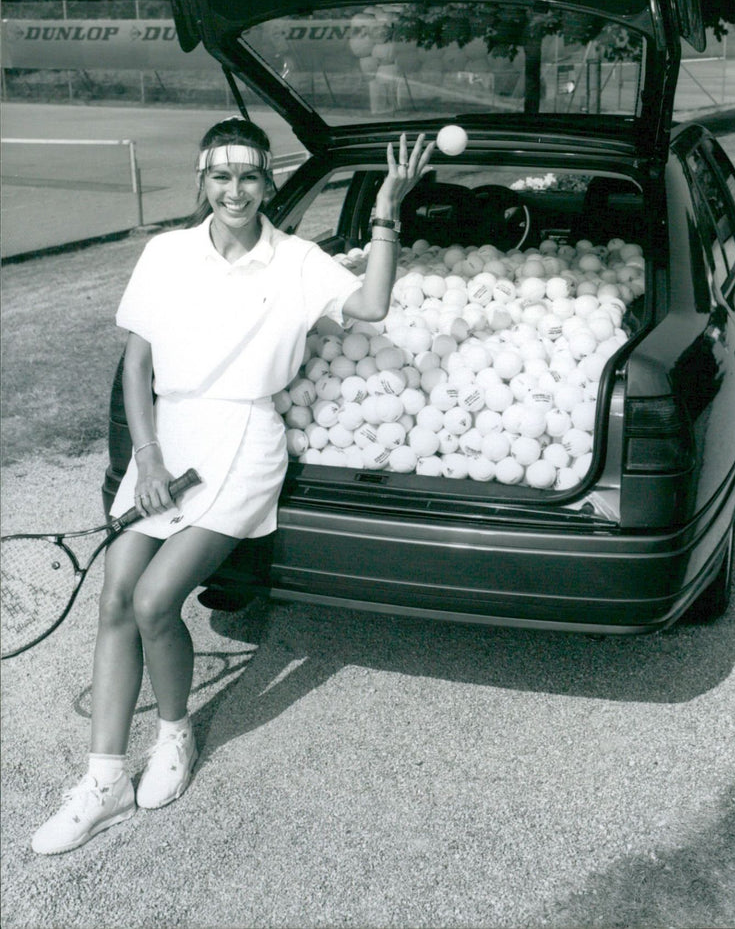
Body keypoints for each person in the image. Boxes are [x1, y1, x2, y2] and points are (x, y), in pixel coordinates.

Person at [32, 117, 434, 855]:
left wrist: (386, 210)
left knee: (157, 600)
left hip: (246, 441)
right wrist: (147, 460)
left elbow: (372, 306)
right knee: (116, 597)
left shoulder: (299, 260)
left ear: (269, 183)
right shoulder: (165, 254)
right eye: (220, 177)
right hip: (169, 440)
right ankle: (104, 780)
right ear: (202, 182)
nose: (234, 191)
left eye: (249, 177)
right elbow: (136, 368)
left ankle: (176, 736)